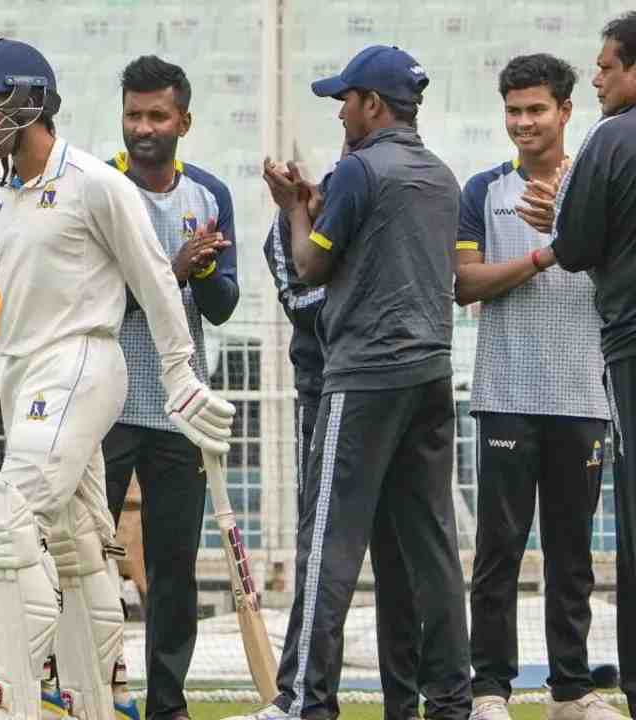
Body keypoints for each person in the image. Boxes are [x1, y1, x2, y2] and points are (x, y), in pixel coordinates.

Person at [0, 38, 235, 720]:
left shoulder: (95, 184)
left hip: (84, 361)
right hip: (25, 376)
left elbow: (155, 281)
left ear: (29, 102)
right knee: (80, 543)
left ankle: (11, 697)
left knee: (2, 517)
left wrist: (180, 376)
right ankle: (94, 700)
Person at [239, 44, 471, 720]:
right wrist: (320, 204)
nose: (340, 111)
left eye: (345, 99)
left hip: (364, 377)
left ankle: (302, 702)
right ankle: (451, 703)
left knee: (327, 546)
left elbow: (310, 266)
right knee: (433, 553)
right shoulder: (442, 174)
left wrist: (294, 207)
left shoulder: (361, 170)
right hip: (430, 376)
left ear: (373, 104)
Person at [454, 53, 618, 720]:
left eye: (536, 110)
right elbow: (465, 285)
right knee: (498, 552)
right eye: (514, 110)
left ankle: (571, 693)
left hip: (583, 396)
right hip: (506, 396)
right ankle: (490, 689)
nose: (524, 122)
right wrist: (546, 252)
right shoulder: (483, 192)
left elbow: (617, 281)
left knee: (572, 558)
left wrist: (571, 232)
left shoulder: (599, 188)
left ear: (566, 112)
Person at [100, 55, 238, 720]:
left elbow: (223, 307)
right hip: (101, 402)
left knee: (174, 569)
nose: (143, 127)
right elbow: (89, 301)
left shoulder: (208, 194)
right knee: (88, 560)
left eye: (157, 115)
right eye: (133, 114)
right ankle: (89, 688)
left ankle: (167, 703)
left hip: (179, 407)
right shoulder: (97, 185)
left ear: (184, 120)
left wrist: (205, 274)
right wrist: (174, 272)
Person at [262, 154, 422, 720]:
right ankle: (306, 699)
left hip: (382, 394)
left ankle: (405, 702)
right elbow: (307, 306)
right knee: (323, 554)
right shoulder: (283, 237)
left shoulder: (364, 234)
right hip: (323, 399)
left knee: (400, 559)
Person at [543, 11, 636, 717]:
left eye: (606, 64)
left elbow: (574, 246)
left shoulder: (611, 137)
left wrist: (561, 215)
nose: (597, 75)